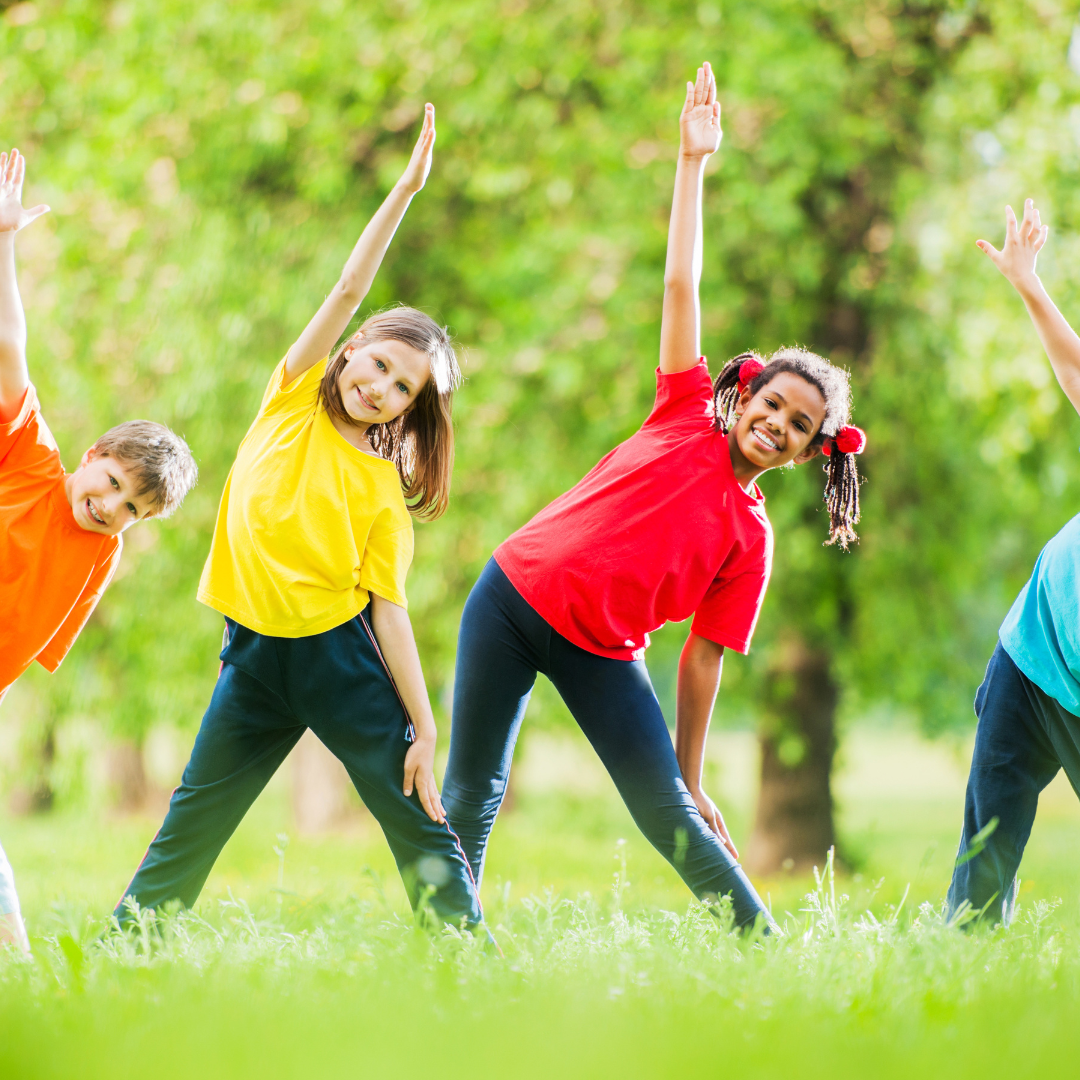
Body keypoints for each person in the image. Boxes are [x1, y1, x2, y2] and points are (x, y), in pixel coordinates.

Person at [442, 64, 867, 932]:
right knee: (472, 792)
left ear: (810, 452)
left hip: (602, 650)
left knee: (669, 817)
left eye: (798, 426)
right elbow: (682, 288)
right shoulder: (683, 409)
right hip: (510, 597)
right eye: (772, 404)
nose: (777, 425)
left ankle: (763, 950)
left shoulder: (750, 540)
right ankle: (450, 948)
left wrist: (690, 775)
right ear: (742, 395)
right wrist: (691, 164)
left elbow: (702, 661)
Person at [115, 105, 485, 932]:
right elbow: (350, 286)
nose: (381, 387)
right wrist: (404, 190)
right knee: (194, 816)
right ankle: (127, 946)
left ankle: (469, 957)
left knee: (414, 816)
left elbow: (390, 610)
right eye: (379, 364)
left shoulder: (383, 490)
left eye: (402, 389)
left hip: (336, 659)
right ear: (349, 349)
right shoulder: (289, 398)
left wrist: (424, 726)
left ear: (411, 409)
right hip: (252, 652)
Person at [0, 149, 198, 952]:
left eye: (130, 510)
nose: (109, 506)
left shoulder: (101, 560)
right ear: (90, 456)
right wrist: (4, 243)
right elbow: (12, 352)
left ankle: (18, 962)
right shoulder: (33, 464)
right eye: (113, 482)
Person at [947, 199, 1080, 926]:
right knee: (985, 855)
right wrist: (1028, 282)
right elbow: (1076, 373)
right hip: (1031, 651)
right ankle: (958, 988)